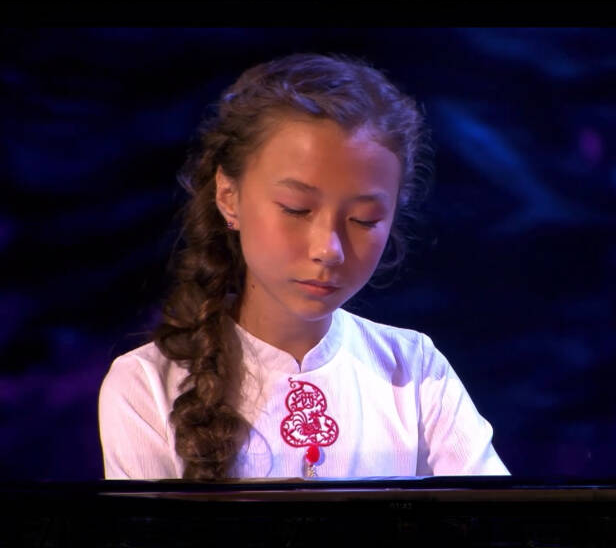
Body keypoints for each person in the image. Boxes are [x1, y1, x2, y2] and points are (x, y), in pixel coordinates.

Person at [98, 53, 509, 481]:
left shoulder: (415, 371)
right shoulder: (146, 384)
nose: (328, 249)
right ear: (228, 196)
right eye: (296, 209)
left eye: (364, 220)